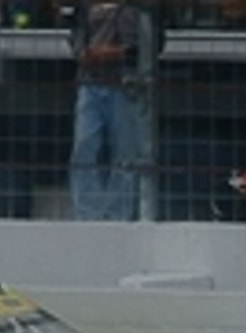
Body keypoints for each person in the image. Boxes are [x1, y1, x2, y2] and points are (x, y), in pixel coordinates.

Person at [68, 1, 156, 222]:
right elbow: (77, 31)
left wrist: (117, 53)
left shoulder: (141, 7)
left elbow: (153, 42)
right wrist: (82, 53)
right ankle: (86, 215)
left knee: (125, 154)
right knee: (84, 146)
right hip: (90, 82)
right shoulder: (86, 6)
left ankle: (120, 215)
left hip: (126, 85)